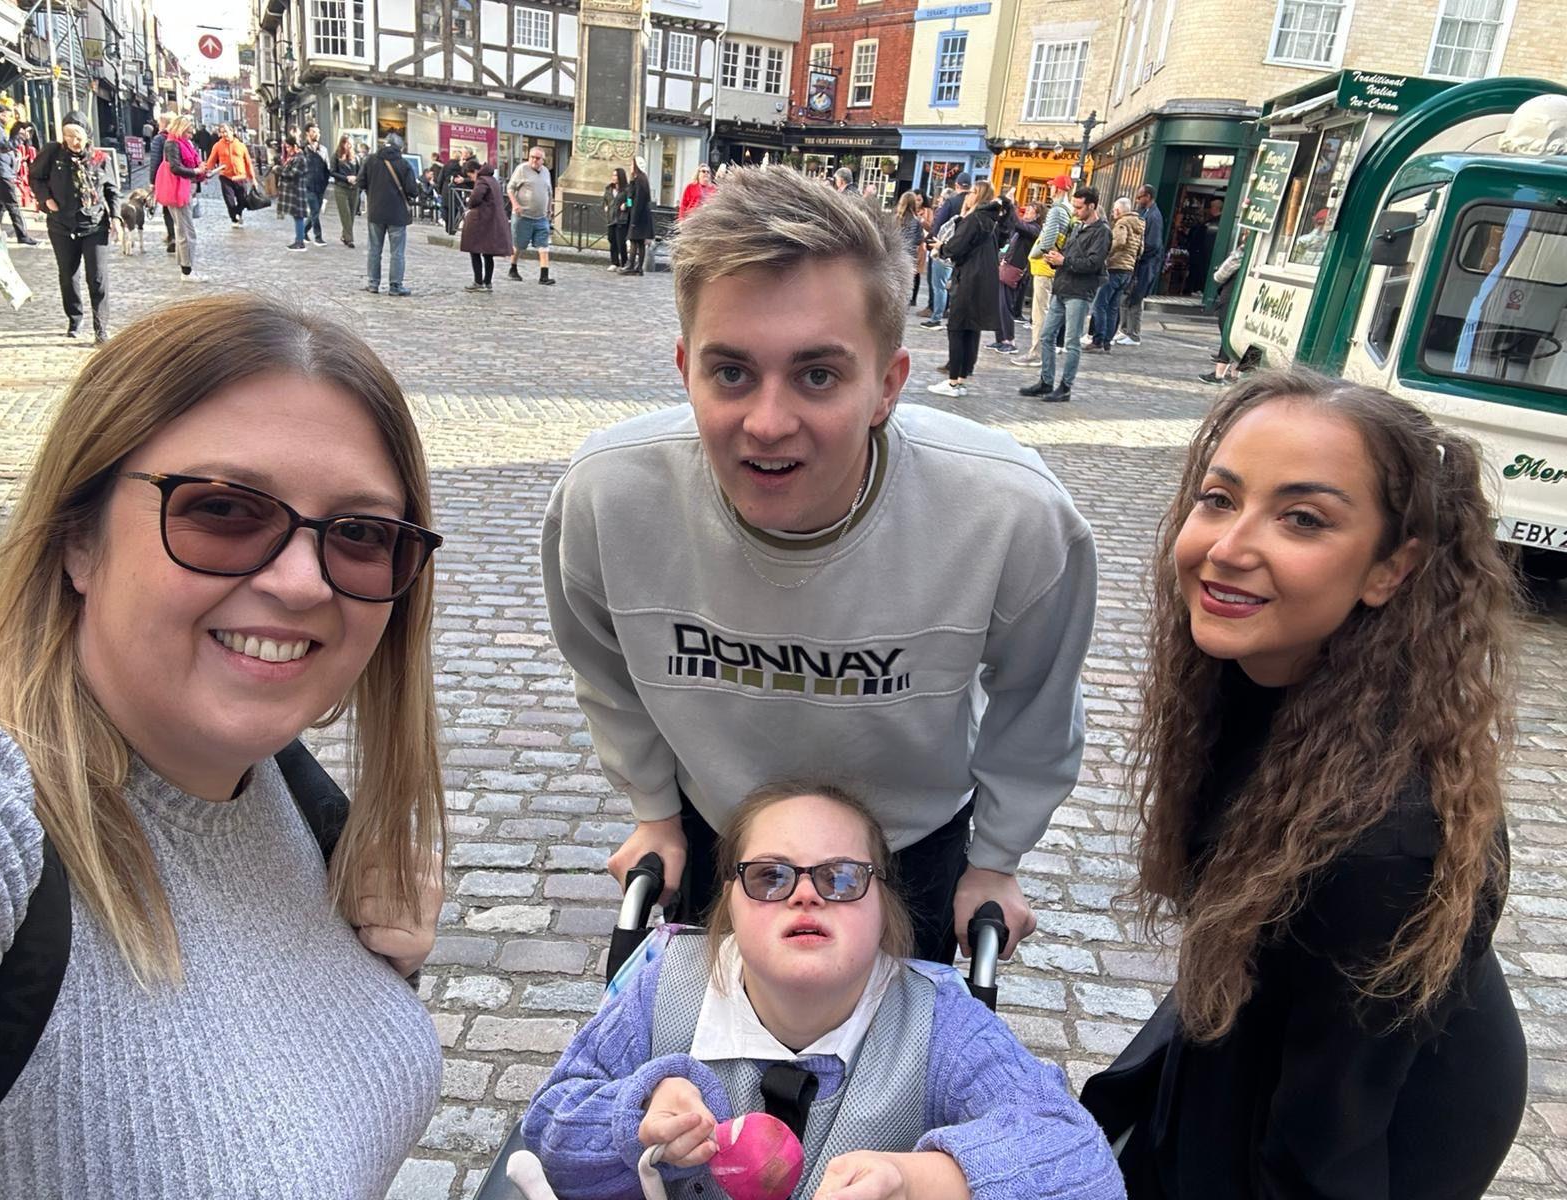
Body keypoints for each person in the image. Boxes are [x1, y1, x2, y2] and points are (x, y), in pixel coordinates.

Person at [542, 165, 1097, 966]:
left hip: (912, 846)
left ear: (888, 386)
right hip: (720, 832)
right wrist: (655, 812)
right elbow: (604, 672)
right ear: (683, 369)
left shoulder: (1010, 516)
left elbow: (1036, 705)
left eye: (818, 375)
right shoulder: (607, 499)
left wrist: (996, 859)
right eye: (730, 372)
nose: (767, 424)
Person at [0, 292, 447, 1196]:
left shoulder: (295, 805)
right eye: (223, 511)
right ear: (78, 536)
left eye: (359, 536)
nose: (304, 583)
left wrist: (362, 979)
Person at [1081, 369, 1527, 1200]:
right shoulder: (1252, 673)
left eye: (1302, 518)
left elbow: (1323, 1153)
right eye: (1219, 498)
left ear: (1389, 570)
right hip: (1273, 1032)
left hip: (1379, 1122)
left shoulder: (1390, 837)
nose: (1227, 547)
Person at [522, 784, 1124, 1200]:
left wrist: (913, 1180)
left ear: (883, 910)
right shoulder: (664, 984)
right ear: (728, 908)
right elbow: (550, 1130)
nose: (805, 895)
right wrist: (639, 1116)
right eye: (769, 876)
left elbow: (1081, 1164)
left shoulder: (940, 1023)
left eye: (841, 877)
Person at [28, 111, 119, 344]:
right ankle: (75, 318)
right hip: (62, 224)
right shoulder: (52, 153)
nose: (73, 142)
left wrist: (116, 218)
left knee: (97, 278)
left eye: (77, 137)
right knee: (68, 275)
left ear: (87, 136)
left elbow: (110, 189)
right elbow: (35, 177)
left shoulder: (99, 158)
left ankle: (101, 328)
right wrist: (45, 199)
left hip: (94, 224)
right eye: (68, 136)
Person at [1018, 186, 1109, 404]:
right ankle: (1046, 381)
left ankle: (1065, 387)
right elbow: (1069, 253)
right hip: (1062, 287)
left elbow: (1093, 263)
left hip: (1079, 291)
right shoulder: (1077, 226)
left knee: (1071, 341)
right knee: (1047, 335)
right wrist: (1057, 258)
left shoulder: (1102, 231)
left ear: (1092, 206)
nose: (1075, 211)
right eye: (1075, 206)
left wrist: (1063, 261)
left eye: (1079, 207)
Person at [929, 182, 1002, 399]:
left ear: (977, 195)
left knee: (958, 328)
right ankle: (961, 378)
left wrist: (940, 247)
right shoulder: (989, 219)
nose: (967, 196)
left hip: (969, 278)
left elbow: (956, 247)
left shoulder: (975, 219)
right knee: (971, 329)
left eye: (971, 193)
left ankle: (953, 381)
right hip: (983, 278)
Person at [1009, 176, 1073, 367]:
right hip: (1049, 267)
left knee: (1040, 312)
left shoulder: (1056, 212)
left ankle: (1036, 352)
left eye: (1052, 186)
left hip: (1044, 266)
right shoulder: (1067, 211)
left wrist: (1035, 253)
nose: (1050, 189)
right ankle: (1042, 349)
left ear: (1059, 190)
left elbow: (1047, 239)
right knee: (1047, 310)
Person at [357, 132, 418, 296]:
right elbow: (413, 191)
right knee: (397, 252)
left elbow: (360, 182)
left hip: (376, 211)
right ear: (401, 147)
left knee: (374, 250)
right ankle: (395, 286)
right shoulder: (404, 164)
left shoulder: (370, 160)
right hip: (397, 213)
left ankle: (373, 283)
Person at [153, 114, 206, 283]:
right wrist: (196, 172)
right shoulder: (172, 143)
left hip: (184, 188)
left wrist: (201, 171)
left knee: (182, 229)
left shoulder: (183, 143)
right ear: (181, 129)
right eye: (188, 132)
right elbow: (175, 168)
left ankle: (185, 266)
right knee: (186, 231)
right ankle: (187, 270)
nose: (190, 136)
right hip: (177, 190)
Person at [1199, 231, 1256, 386]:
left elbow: (1219, 275)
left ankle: (1219, 374)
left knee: (1229, 334)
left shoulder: (1241, 254)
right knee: (1249, 336)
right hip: (1252, 300)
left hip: (1231, 298)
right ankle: (1236, 374)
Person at [1092, 197, 1143, 355]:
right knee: (1113, 307)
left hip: (1115, 267)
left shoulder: (1122, 223)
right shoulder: (1139, 225)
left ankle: (1098, 340)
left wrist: (1106, 253)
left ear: (1120, 210)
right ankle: (1107, 341)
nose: (1113, 212)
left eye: (1114, 209)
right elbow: (1141, 249)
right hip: (1128, 269)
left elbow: (1119, 241)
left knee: (1100, 304)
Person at [992, 200, 1043, 354]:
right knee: (999, 305)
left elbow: (1018, 225)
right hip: (1008, 266)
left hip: (1015, 270)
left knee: (1006, 305)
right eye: (1026, 211)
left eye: (1030, 211)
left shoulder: (1034, 229)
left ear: (1037, 215)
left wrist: (1009, 206)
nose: (1026, 213)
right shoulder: (1026, 228)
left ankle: (1010, 340)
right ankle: (1001, 338)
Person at [920, 173, 970, 330]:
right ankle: (952, 315)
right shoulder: (973, 205)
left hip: (944, 248)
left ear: (957, 185)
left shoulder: (951, 202)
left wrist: (930, 241)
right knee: (954, 285)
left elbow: (938, 225)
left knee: (939, 285)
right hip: (963, 251)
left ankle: (936, 317)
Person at [0, 104, 36, 246]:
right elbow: (3, 147)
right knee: (12, 204)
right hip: (0, 171)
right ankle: (22, 235)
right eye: (8, 115)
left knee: (0, 204)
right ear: (1, 115)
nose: (10, 118)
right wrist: (20, 138)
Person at [1117, 183, 1163, 346]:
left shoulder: (1154, 216)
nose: (1137, 200)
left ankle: (1133, 333)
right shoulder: (1145, 213)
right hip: (1141, 263)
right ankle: (1125, 330)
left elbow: (1153, 244)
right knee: (1128, 296)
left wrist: (1138, 253)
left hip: (1146, 264)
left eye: (1140, 197)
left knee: (1136, 297)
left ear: (1148, 197)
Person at [459, 159, 512, 292]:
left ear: (475, 171)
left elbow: (476, 199)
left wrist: (469, 201)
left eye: (470, 175)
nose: (471, 178)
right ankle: (488, 282)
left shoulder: (482, 180)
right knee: (488, 254)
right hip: (492, 221)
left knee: (474, 250)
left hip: (483, 221)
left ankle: (478, 282)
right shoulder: (492, 179)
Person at [507, 144, 555, 285]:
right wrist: (515, 204)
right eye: (532, 157)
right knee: (518, 245)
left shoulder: (546, 172)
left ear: (543, 160)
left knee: (543, 246)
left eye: (537, 158)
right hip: (523, 216)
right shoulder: (522, 169)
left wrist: (549, 208)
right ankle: (513, 268)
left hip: (541, 217)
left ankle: (544, 276)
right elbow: (510, 188)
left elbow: (549, 191)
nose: (534, 160)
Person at [205, 124, 255, 226]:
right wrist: (206, 173)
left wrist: (253, 178)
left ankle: (238, 213)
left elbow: (248, 162)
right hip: (225, 176)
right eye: (222, 132)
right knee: (229, 200)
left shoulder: (241, 145)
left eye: (226, 131)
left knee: (243, 200)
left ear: (232, 131)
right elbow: (211, 161)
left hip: (240, 176)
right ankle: (234, 219)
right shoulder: (218, 146)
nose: (224, 134)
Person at [275, 133, 309, 252]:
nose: (287, 150)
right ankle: (298, 240)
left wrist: (278, 170)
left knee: (298, 216)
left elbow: (292, 174)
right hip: (294, 191)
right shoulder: (295, 157)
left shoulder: (300, 158)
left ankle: (300, 242)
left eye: (288, 147)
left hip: (297, 192)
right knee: (297, 216)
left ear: (295, 146)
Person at [622, 155, 655, 277]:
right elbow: (631, 198)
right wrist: (628, 205)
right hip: (640, 215)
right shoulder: (639, 179)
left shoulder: (639, 180)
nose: (630, 167)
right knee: (638, 242)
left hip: (639, 216)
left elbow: (638, 200)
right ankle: (637, 267)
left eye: (632, 165)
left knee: (636, 241)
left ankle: (633, 265)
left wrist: (634, 218)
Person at [147, 114, 175, 253]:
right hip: (180, 177)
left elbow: (155, 160)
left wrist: (152, 181)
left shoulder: (159, 139)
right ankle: (180, 235)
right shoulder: (179, 136)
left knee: (167, 208)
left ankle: (172, 236)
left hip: (165, 178)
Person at [894, 190, 925, 311]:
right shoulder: (915, 221)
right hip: (909, 256)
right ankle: (903, 307)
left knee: (895, 282)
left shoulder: (895, 218)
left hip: (895, 254)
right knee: (906, 284)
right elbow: (917, 239)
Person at [300, 124, 331, 245]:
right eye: (313, 131)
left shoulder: (323, 150)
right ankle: (318, 237)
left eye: (318, 132)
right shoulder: (302, 150)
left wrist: (326, 181)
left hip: (320, 185)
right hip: (307, 185)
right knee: (314, 210)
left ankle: (303, 232)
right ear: (307, 133)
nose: (316, 134)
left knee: (315, 211)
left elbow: (327, 167)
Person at [331, 134, 361, 249]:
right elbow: (332, 172)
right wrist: (346, 178)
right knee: (346, 214)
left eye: (350, 143)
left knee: (352, 214)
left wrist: (356, 179)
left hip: (354, 188)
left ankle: (345, 235)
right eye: (346, 142)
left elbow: (361, 171)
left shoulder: (356, 157)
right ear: (342, 143)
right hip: (341, 188)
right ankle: (350, 239)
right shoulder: (336, 156)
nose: (349, 145)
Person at [605, 167, 629, 272]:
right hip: (611, 218)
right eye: (613, 175)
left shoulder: (627, 189)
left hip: (621, 218)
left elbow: (632, 201)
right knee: (612, 239)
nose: (613, 177)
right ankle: (614, 262)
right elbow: (605, 199)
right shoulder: (609, 188)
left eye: (615, 175)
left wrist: (626, 205)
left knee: (620, 242)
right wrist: (605, 206)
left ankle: (624, 262)